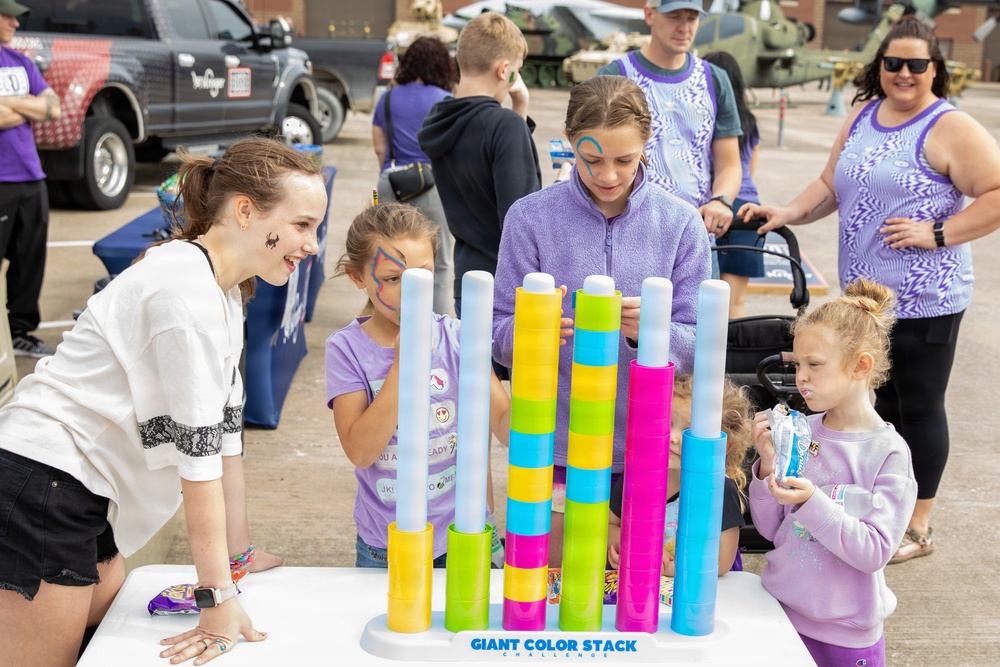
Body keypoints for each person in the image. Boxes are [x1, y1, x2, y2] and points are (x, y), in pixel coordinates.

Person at [0, 136, 326, 666]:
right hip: (40, 479)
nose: (311, 244)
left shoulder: (223, 291)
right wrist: (216, 599)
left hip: (80, 490)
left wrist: (235, 562)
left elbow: (225, 445)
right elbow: (198, 470)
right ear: (245, 211)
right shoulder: (185, 293)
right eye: (301, 224)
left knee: (101, 638)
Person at [738, 16, 1000, 564]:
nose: (904, 74)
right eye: (893, 63)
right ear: (878, 66)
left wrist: (938, 232)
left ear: (936, 70)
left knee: (919, 405)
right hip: (865, 306)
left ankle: (917, 526)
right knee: (874, 409)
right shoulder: (863, 116)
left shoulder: (948, 126)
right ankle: (875, 509)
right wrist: (788, 211)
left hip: (926, 299)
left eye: (917, 64)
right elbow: (832, 184)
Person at [492, 75, 711, 566]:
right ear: (571, 142)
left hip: (654, 454)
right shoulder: (530, 218)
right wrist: (532, 334)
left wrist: (652, 332)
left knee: (635, 599)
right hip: (554, 447)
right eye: (592, 160)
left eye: (624, 160)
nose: (608, 175)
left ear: (646, 146)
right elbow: (497, 331)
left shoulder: (680, 223)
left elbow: (704, 344)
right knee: (548, 590)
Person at [326, 201, 512, 568]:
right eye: (394, 279)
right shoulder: (346, 349)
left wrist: (537, 369)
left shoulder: (459, 338)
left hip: (467, 535)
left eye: (422, 277)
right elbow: (361, 451)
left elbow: (506, 428)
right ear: (357, 276)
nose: (411, 293)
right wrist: (405, 365)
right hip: (388, 545)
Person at [748, 279, 918, 667]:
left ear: (860, 366)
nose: (800, 377)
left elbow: (874, 551)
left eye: (814, 365)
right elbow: (773, 530)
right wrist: (767, 469)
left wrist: (811, 500)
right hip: (781, 615)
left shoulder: (888, 453)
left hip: (846, 638)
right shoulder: (802, 430)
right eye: (797, 365)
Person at [417, 10, 541, 317]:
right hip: (510, 288)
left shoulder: (440, 120)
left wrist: (519, 108)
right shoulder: (504, 127)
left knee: (474, 366)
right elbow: (523, 219)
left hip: (469, 280)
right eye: (518, 70)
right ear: (504, 71)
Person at [596, 0, 742, 242]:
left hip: (696, 235)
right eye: (674, 16)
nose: (684, 27)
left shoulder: (714, 80)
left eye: (692, 18)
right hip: (629, 238)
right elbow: (592, 156)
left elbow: (730, 164)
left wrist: (721, 200)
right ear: (649, 14)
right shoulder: (615, 77)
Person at [607, 374, 752, 576]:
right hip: (638, 588)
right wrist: (624, 544)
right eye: (667, 422)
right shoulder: (636, 474)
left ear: (722, 446)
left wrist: (670, 569)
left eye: (689, 430)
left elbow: (721, 561)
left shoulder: (719, 490)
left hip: (698, 596)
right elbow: (609, 526)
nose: (672, 437)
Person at [372, 35, 457, 316]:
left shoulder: (386, 97)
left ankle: (390, 320)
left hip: (390, 182)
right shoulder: (445, 100)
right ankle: (438, 325)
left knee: (387, 259)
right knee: (439, 260)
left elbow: (380, 147)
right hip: (432, 183)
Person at [0, 0, 62, 358]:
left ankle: (20, 332)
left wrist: (11, 103)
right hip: (2, 180)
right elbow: (32, 109)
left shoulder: (21, 62)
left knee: (30, 261)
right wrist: (28, 104)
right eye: (7, 15)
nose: (15, 23)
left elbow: (52, 107)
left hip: (31, 176)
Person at [702, 51, 764, 319]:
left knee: (706, 300)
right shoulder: (750, 122)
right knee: (736, 303)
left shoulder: (703, 118)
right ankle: (736, 360)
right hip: (746, 209)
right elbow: (747, 170)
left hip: (711, 207)